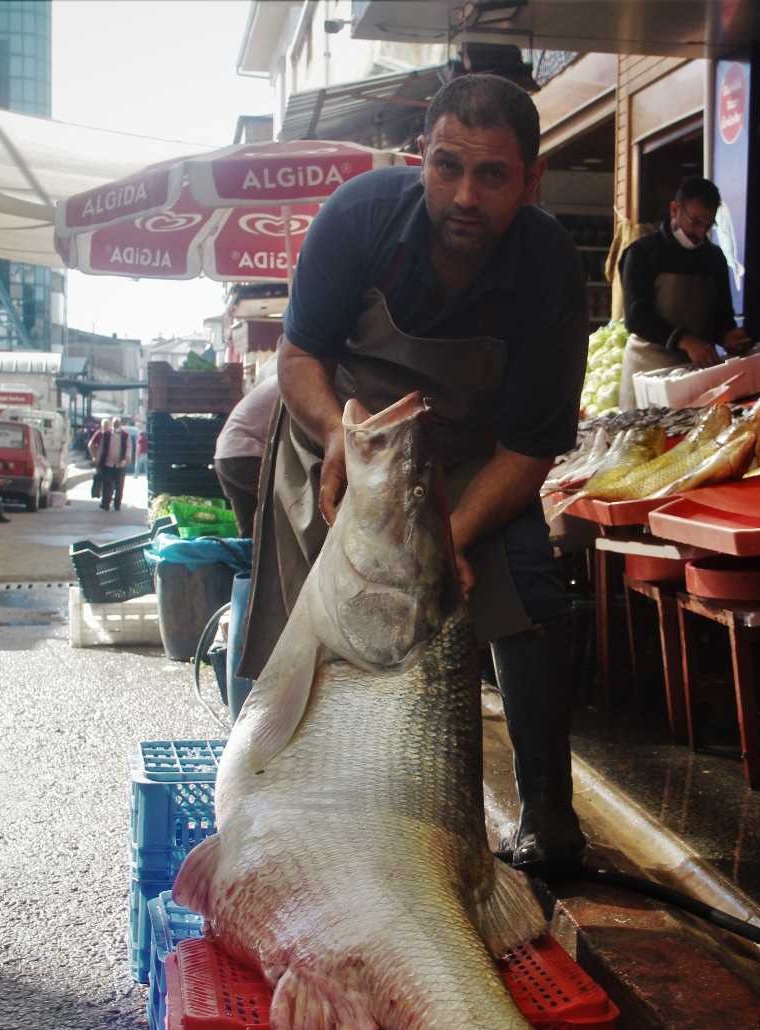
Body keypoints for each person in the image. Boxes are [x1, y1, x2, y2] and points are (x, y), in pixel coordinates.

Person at [241, 73, 588, 869]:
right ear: (417, 157)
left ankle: (548, 816)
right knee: (301, 629)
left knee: (529, 591)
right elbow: (300, 357)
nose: (466, 195)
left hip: (472, 461)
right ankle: (263, 800)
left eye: (493, 175)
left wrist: (445, 541)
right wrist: (335, 432)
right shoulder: (357, 218)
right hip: (342, 440)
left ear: (531, 181)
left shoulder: (548, 271)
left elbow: (532, 446)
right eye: (447, 167)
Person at [616, 176, 751, 410]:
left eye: (708, 226)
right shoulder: (641, 253)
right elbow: (636, 317)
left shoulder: (714, 258)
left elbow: (722, 315)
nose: (701, 233)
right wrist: (686, 340)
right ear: (674, 209)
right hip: (647, 370)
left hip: (695, 374)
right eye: (695, 222)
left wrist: (728, 335)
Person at [214, 372, 280, 537]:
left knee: (249, 532)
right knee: (284, 509)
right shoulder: (294, 382)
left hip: (225, 456)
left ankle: (249, 561)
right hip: (245, 455)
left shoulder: (278, 380)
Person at [87, 418, 131, 511]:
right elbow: (102, 448)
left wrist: (126, 459)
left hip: (120, 464)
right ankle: (105, 503)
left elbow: (128, 448)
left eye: (117, 424)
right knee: (107, 484)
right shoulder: (106, 435)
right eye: (114, 424)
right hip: (108, 463)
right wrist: (98, 459)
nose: (116, 425)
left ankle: (117, 504)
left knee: (119, 485)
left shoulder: (125, 435)